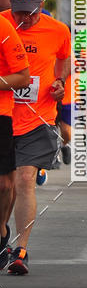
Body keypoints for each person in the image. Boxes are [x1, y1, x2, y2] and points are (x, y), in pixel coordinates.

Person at [0, 0, 70, 274]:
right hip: (5, 117)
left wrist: (60, 82)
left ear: (41, 6)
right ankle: (3, 234)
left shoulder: (58, 31)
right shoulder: (4, 26)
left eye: (30, 13)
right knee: (6, 186)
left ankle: (21, 248)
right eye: (18, 13)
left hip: (37, 119)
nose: (24, 19)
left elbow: (65, 60)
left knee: (25, 180)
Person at [0, 13, 30, 271]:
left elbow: (23, 76)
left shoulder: (3, 27)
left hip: (2, 115)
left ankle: (1, 232)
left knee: (4, 184)